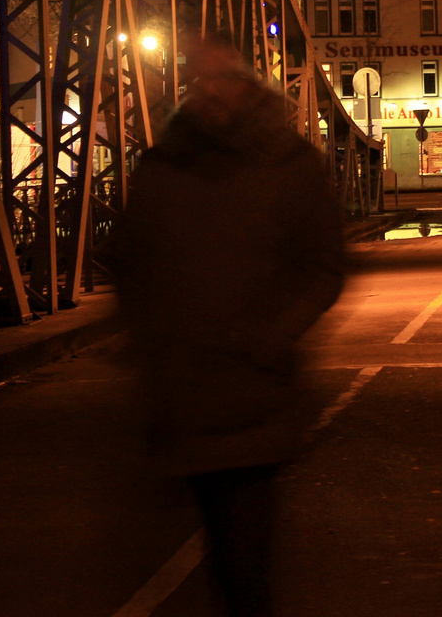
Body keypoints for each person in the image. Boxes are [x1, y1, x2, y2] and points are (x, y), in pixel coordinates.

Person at [108, 35, 347, 617]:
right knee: (194, 565)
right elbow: (127, 262)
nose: (209, 91)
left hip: (251, 399)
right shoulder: (161, 167)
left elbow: (324, 267)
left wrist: (269, 338)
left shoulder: (290, 164)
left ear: (249, 85)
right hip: (179, 400)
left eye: (223, 78)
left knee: (242, 568)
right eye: (198, 80)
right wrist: (148, 344)